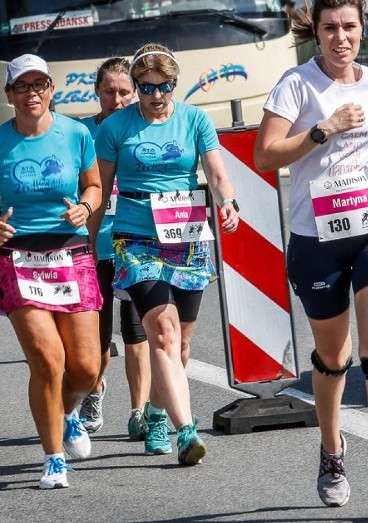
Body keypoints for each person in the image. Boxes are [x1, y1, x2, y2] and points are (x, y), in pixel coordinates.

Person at [253, 0, 368, 512]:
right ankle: (332, 450)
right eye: (330, 28)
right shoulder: (296, 84)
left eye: (349, 27)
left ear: (362, 31)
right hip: (316, 237)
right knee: (333, 359)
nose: (340, 37)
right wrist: (324, 128)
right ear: (316, 33)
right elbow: (264, 154)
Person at [0, 54, 102, 489]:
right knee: (47, 359)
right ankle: (54, 456)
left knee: (86, 368)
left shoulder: (77, 133)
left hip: (70, 253)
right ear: (9, 95)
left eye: (40, 84)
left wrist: (85, 206)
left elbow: (94, 185)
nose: (32, 92)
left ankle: (68, 411)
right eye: (23, 86)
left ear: (52, 90)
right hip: (19, 258)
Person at [93, 44, 239, 465]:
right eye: (147, 88)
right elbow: (100, 191)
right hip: (135, 238)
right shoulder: (115, 128)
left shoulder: (194, 119)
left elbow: (215, 171)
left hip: (187, 235)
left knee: (182, 345)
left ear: (175, 84)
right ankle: (184, 430)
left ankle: (156, 410)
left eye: (165, 87)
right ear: (137, 86)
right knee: (162, 332)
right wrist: (88, 239)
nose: (157, 96)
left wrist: (228, 201)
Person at [76, 57, 152, 441]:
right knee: (98, 338)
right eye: (110, 92)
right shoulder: (82, 134)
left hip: (136, 244)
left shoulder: (145, 132)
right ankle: (94, 388)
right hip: (96, 246)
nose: (118, 99)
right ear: (97, 93)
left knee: (137, 331)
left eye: (125, 91)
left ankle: (138, 411)